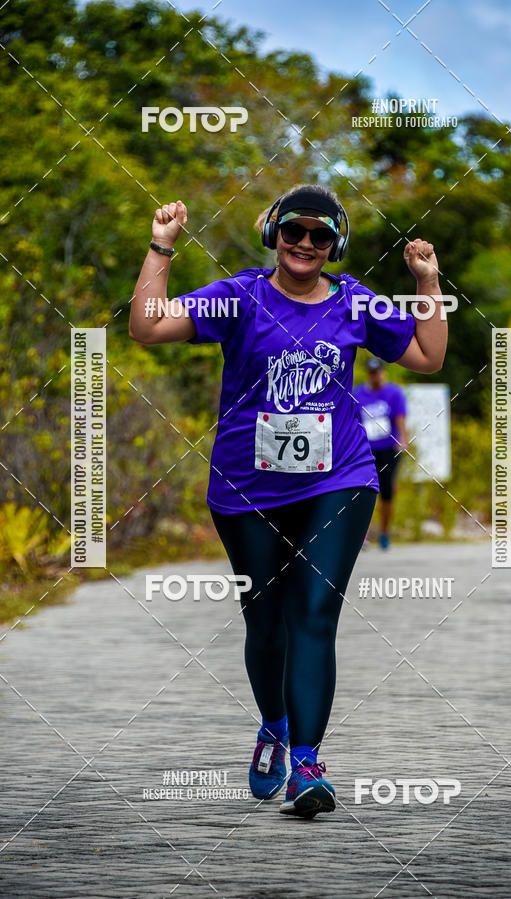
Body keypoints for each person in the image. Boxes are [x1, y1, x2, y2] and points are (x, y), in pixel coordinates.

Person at [129, 184, 447, 818]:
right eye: (294, 231)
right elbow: (147, 326)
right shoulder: (238, 296)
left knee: (314, 613)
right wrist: (162, 246)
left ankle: (308, 764)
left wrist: (427, 282)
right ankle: (273, 723)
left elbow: (429, 356)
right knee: (265, 621)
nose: (305, 244)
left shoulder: (357, 301)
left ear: (335, 245)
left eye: (320, 236)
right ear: (273, 233)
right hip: (247, 487)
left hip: (340, 479)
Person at [354, 359, 409, 549]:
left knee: (386, 491)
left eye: (377, 372)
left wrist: (404, 440)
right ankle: (364, 535)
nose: (375, 375)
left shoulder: (393, 393)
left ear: (382, 373)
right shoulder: (358, 393)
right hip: (366, 450)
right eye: (371, 372)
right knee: (365, 491)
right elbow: (353, 421)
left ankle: (385, 532)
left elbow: (400, 418)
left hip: (388, 449)